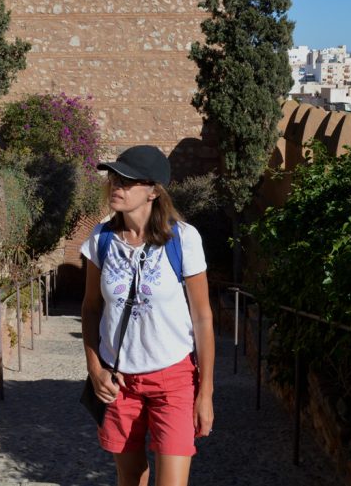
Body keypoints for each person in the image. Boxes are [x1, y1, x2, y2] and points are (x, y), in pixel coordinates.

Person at [81, 145, 215, 486]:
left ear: (154, 190)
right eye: (114, 178)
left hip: (174, 380)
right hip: (119, 382)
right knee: (129, 479)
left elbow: (202, 318)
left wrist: (206, 393)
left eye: (127, 180)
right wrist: (95, 368)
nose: (116, 186)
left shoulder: (182, 239)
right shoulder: (102, 239)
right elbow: (91, 309)